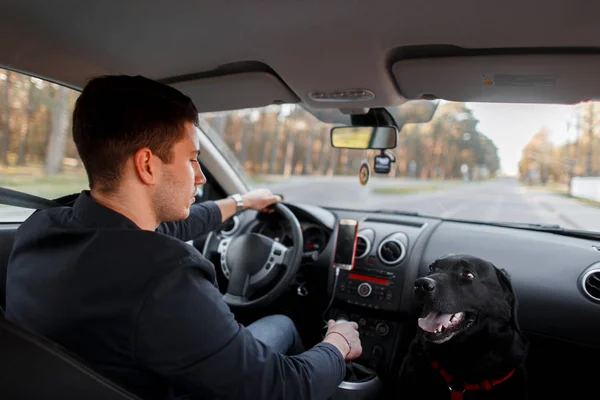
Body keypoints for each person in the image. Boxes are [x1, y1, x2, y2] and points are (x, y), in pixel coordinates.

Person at [5, 75, 362, 400]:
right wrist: (337, 344)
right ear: (147, 165)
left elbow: (167, 226)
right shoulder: (166, 278)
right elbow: (281, 386)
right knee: (283, 324)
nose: (200, 176)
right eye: (192, 159)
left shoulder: (40, 227)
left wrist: (241, 203)